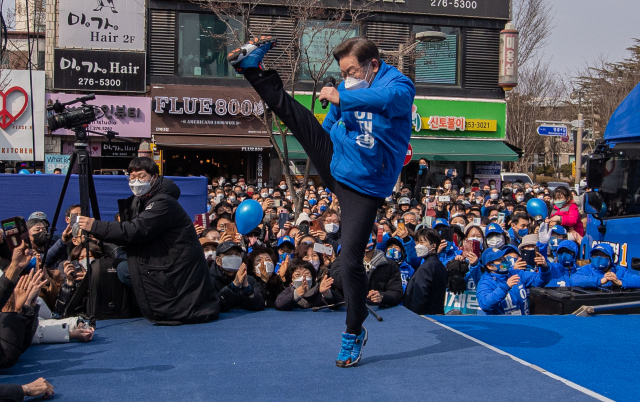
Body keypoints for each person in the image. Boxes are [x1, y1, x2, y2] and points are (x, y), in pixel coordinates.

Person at [228, 35, 415, 367]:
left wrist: (343, 94)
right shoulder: (349, 88)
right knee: (296, 118)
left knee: (352, 261)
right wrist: (325, 119)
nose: (347, 79)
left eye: (352, 71)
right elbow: (329, 125)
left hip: (366, 185)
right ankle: (252, 69)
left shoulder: (398, 85)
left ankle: (353, 331)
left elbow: (388, 100)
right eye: (342, 73)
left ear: (373, 65)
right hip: (337, 161)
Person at [77, 157, 220, 325]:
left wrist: (95, 226)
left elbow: (135, 230)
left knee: (124, 269)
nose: (136, 180)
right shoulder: (142, 201)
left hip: (175, 269)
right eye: (132, 176)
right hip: (163, 261)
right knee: (119, 265)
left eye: (142, 176)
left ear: (154, 177)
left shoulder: (163, 202)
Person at [476, 246, 551, 315]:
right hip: (502, 326)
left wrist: (544, 268)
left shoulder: (516, 273)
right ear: (490, 266)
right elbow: (485, 304)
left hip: (524, 323)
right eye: (500, 260)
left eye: (504, 258)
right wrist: (505, 287)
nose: (504, 261)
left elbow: (540, 280)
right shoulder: (485, 282)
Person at [209, 241, 265, 312]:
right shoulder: (209, 281)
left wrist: (248, 289)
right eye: (229, 254)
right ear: (218, 260)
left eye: (237, 254)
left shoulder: (249, 279)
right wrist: (233, 286)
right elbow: (213, 306)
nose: (233, 257)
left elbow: (260, 305)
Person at [403, 229, 448, 315]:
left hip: (423, 317)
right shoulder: (439, 265)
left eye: (422, 242)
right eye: (417, 242)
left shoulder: (426, 267)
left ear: (433, 245)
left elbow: (419, 297)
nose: (418, 246)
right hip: (436, 315)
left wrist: (412, 316)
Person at [571, 244, 640, 289]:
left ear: (611, 258)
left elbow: (638, 280)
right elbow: (573, 279)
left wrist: (619, 282)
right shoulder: (587, 269)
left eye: (603, 255)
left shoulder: (620, 270)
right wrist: (600, 281)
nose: (598, 257)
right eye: (595, 254)